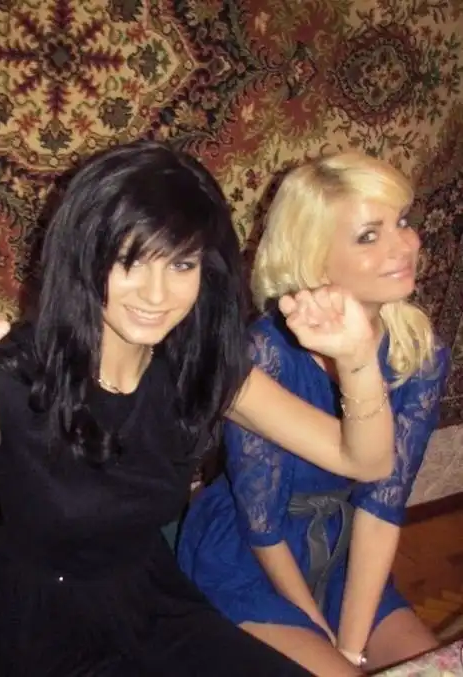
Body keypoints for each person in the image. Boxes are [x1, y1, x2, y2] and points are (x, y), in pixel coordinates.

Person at [0, 141, 395, 676]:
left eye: (181, 263)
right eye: (129, 259)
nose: (156, 294)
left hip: (154, 600)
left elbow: (363, 461)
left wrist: (357, 358)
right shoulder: (17, 374)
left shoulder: (200, 366)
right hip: (42, 629)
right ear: (85, 257)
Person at [177, 151, 450, 676]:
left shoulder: (418, 351)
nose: (405, 246)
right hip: (251, 554)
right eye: (368, 236)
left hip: (344, 547)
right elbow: (261, 521)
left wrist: (351, 644)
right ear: (316, 259)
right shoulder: (264, 355)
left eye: (402, 222)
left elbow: (383, 506)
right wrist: (320, 635)